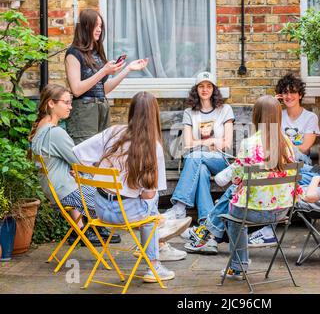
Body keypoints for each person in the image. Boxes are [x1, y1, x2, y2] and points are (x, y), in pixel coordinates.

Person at [73, 91, 189, 282]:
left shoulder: (113, 132)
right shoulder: (154, 147)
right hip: (125, 214)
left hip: (99, 209)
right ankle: (154, 263)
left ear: (131, 111)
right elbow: (148, 195)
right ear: (154, 115)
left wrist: (97, 171)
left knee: (148, 207)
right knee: (153, 206)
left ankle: (160, 228)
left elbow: (78, 153)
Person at [185, 96, 299, 278]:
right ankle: (207, 232)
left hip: (253, 211)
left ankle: (236, 263)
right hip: (282, 211)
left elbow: (236, 180)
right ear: (278, 116)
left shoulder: (249, 144)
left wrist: (231, 177)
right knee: (234, 195)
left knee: (233, 210)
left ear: (256, 116)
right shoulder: (288, 144)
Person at [29, 84, 121, 247]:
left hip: (56, 191)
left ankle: (91, 229)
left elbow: (72, 162)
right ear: (51, 103)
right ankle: (153, 239)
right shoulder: (55, 133)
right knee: (120, 201)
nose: (70, 107)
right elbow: (80, 161)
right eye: (66, 103)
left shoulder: (41, 129)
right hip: (67, 190)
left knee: (110, 194)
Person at [247, 73, 320, 247]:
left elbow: (304, 147)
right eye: (285, 92)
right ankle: (267, 231)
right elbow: (263, 136)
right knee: (278, 175)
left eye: (292, 92)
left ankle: (267, 230)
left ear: (300, 95)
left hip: (297, 160)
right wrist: (272, 105)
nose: (288, 96)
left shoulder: (310, 117)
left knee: (278, 169)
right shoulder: (277, 115)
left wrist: (281, 148)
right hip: (279, 163)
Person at [65, 9, 149, 145]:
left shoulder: (97, 53)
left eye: (100, 26)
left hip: (102, 107)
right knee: (85, 156)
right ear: (86, 27)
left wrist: (128, 69)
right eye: (95, 25)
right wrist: (104, 71)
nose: (99, 29)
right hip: (84, 111)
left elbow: (103, 89)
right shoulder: (73, 53)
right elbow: (76, 89)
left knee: (102, 152)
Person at [163, 71, 235, 224]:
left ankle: (179, 207)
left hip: (221, 161)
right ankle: (207, 221)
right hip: (198, 161)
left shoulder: (225, 110)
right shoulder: (189, 113)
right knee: (200, 168)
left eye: (209, 86)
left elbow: (226, 143)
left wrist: (202, 142)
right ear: (196, 90)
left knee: (196, 156)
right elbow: (188, 143)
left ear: (214, 89)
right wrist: (211, 142)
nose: (205, 89)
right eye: (201, 86)